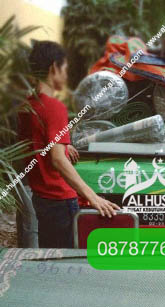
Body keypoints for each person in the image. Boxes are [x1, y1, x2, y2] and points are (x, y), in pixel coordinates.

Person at [18, 41, 120, 248]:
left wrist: (63, 145)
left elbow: (38, 144)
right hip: (60, 200)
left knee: (51, 256)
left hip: (42, 197)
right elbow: (57, 159)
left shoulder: (27, 105)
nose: (66, 74)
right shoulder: (54, 107)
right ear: (54, 68)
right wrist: (92, 197)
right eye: (65, 68)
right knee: (65, 260)